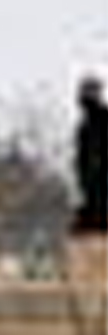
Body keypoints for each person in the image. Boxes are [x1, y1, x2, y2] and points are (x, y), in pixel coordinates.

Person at [76, 75, 107, 236]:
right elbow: (82, 158)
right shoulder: (84, 126)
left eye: (89, 93)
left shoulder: (104, 119)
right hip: (90, 187)